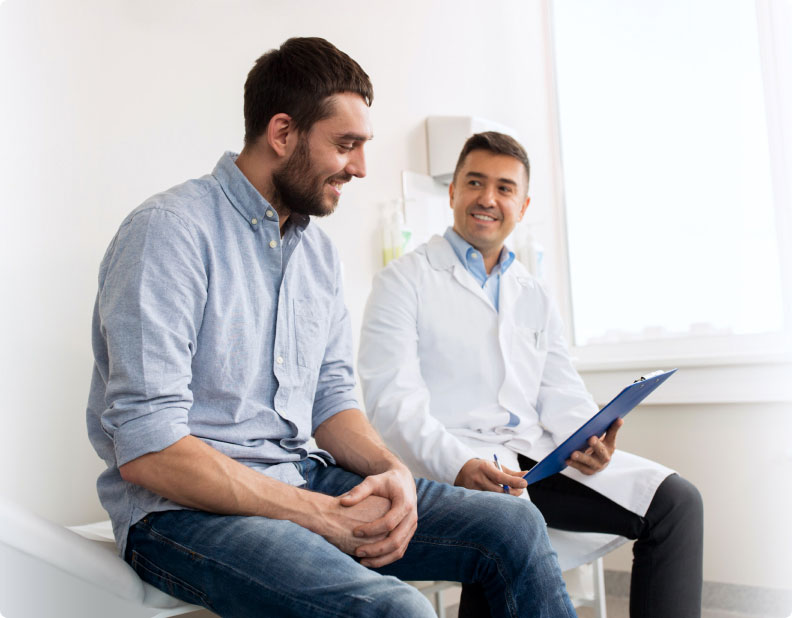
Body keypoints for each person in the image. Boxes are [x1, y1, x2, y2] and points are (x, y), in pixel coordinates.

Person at [86, 39, 578, 618]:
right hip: (180, 513)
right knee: (400, 610)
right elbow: (150, 451)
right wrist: (317, 514)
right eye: (345, 145)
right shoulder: (169, 233)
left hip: (300, 476)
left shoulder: (316, 255)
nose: (361, 167)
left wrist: (392, 471)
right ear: (282, 133)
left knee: (514, 524)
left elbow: (332, 403)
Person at [358, 131, 704, 618]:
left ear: (522, 206)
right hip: (453, 464)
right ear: (453, 191)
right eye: (475, 182)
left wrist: (590, 437)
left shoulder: (533, 293)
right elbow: (392, 406)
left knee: (676, 502)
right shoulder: (402, 282)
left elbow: (560, 390)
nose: (488, 198)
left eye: (504, 188)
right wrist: (457, 465)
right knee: (504, 532)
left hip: (537, 460)